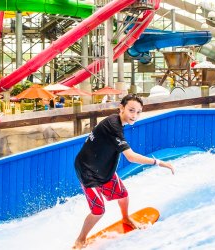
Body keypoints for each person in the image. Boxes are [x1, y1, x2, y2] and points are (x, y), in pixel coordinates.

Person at [73, 94, 175, 249]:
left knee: (123, 195)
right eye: (131, 110)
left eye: (138, 112)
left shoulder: (117, 123)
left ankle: (126, 218)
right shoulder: (113, 125)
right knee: (98, 210)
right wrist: (158, 162)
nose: (134, 115)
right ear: (121, 108)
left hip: (103, 169)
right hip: (87, 171)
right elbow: (131, 157)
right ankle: (80, 239)